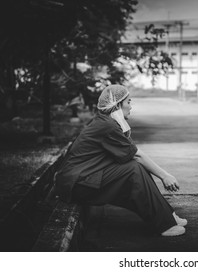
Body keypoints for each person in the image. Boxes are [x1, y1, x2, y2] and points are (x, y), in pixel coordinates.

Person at [54, 84, 187, 237]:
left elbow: (131, 154)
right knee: (133, 169)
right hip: (77, 185)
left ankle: (166, 216)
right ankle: (164, 223)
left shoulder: (107, 122)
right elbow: (136, 155)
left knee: (135, 167)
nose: (131, 107)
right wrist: (164, 176)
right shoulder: (108, 126)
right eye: (128, 102)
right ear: (117, 105)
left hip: (84, 178)